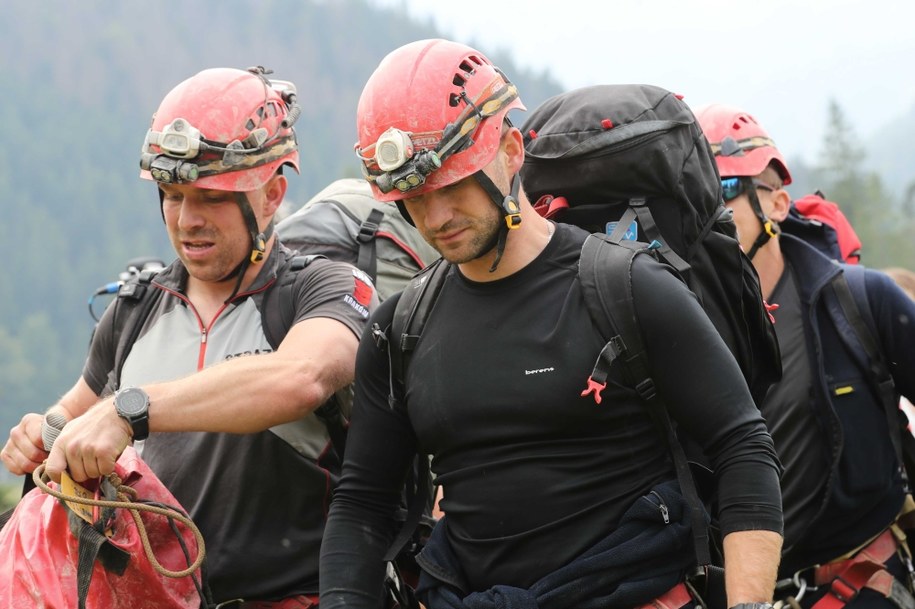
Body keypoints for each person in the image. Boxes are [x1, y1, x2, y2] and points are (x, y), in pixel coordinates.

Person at [320, 38, 783, 609]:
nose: (435, 217)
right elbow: (362, 502)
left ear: (511, 151)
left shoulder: (627, 287)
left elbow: (742, 444)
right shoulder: (400, 330)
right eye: (414, 197)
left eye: (454, 183)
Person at [1, 66, 378, 606]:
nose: (187, 219)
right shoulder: (135, 309)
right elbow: (70, 418)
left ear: (272, 195)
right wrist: (45, 432)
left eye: (212, 197)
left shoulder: (323, 289)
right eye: (173, 195)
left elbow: (301, 378)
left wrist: (130, 409)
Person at [696, 104, 915, 609]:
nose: (711, 212)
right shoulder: (679, 323)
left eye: (727, 192)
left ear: (776, 205)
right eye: (699, 197)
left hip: (863, 582)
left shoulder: (859, 301)